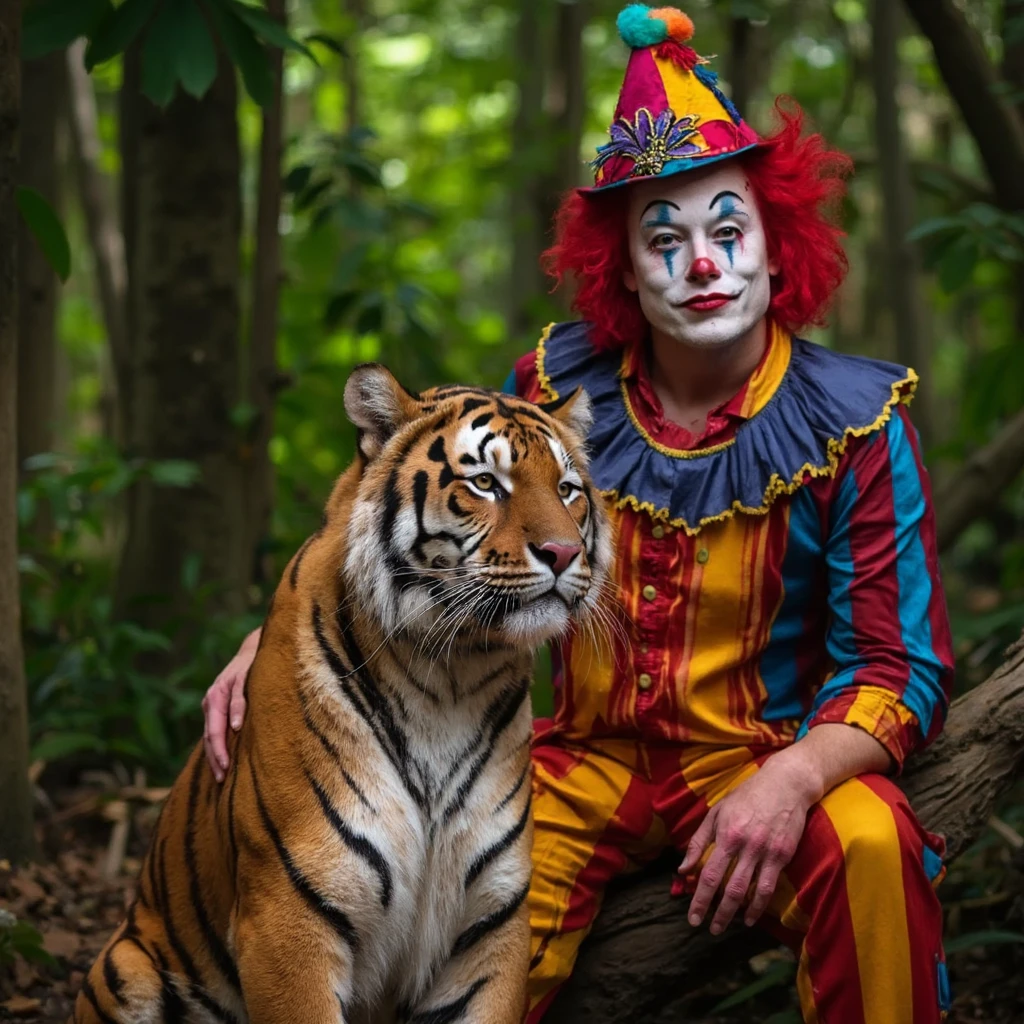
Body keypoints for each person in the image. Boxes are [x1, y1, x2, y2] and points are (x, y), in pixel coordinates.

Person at [203, 6, 955, 1021]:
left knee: (867, 842)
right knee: (442, 918)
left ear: (778, 250)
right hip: (572, 758)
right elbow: (424, 486)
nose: (702, 263)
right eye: (666, 239)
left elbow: (895, 666)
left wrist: (794, 780)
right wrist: (289, 628)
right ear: (622, 267)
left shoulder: (857, 419)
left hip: (765, 749)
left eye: (729, 231)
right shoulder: (554, 385)